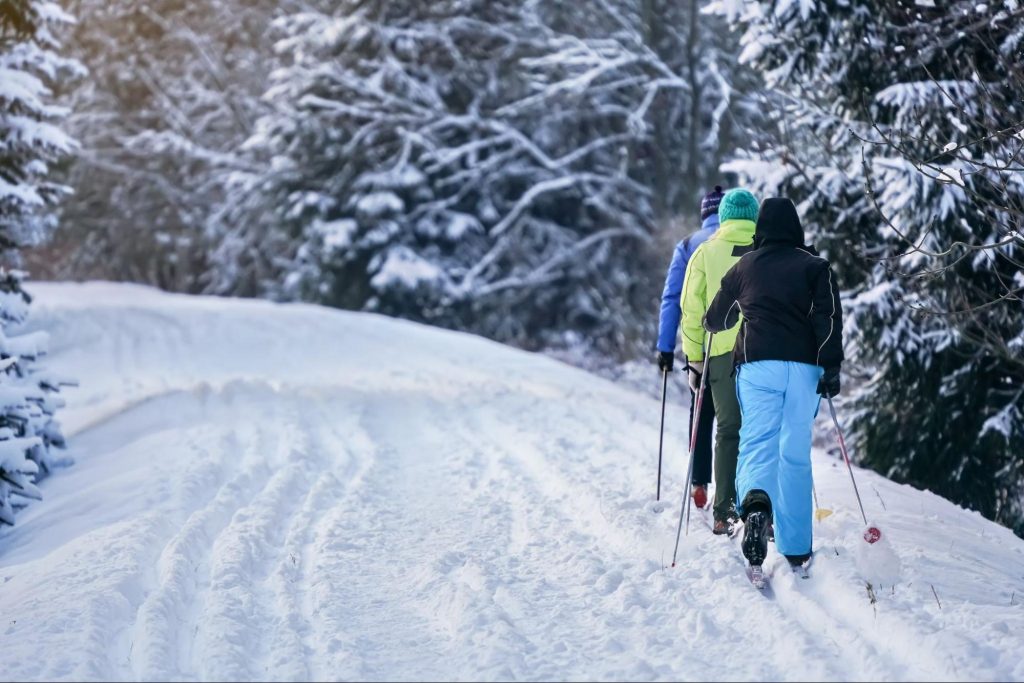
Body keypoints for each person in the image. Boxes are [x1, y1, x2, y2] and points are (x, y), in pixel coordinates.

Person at [703, 197, 844, 572]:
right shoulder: (816, 267)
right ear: (796, 228)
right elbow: (827, 320)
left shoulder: (744, 266)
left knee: (756, 442)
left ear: (761, 229)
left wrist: (716, 321)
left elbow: (717, 318)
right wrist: (830, 369)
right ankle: (796, 549)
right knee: (795, 453)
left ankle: (755, 507)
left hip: (757, 365)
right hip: (802, 369)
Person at [680, 188, 760, 534]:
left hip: (720, 353)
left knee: (728, 430)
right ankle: (760, 508)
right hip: (762, 351)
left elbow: (692, 310)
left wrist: (695, 360)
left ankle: (723, 511)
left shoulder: (704, 253)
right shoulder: (767, 250)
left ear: (724, 217)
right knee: (761, 431)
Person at [656, 186, 725, 510]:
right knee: (734, 419)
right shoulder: (744, 241)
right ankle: (731, 485)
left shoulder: (688, 245)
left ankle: (699, 482)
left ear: (704, 214)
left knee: (701, 411)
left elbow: (671, 298)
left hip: (698, 344)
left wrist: (665, 347)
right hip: (739, 344)